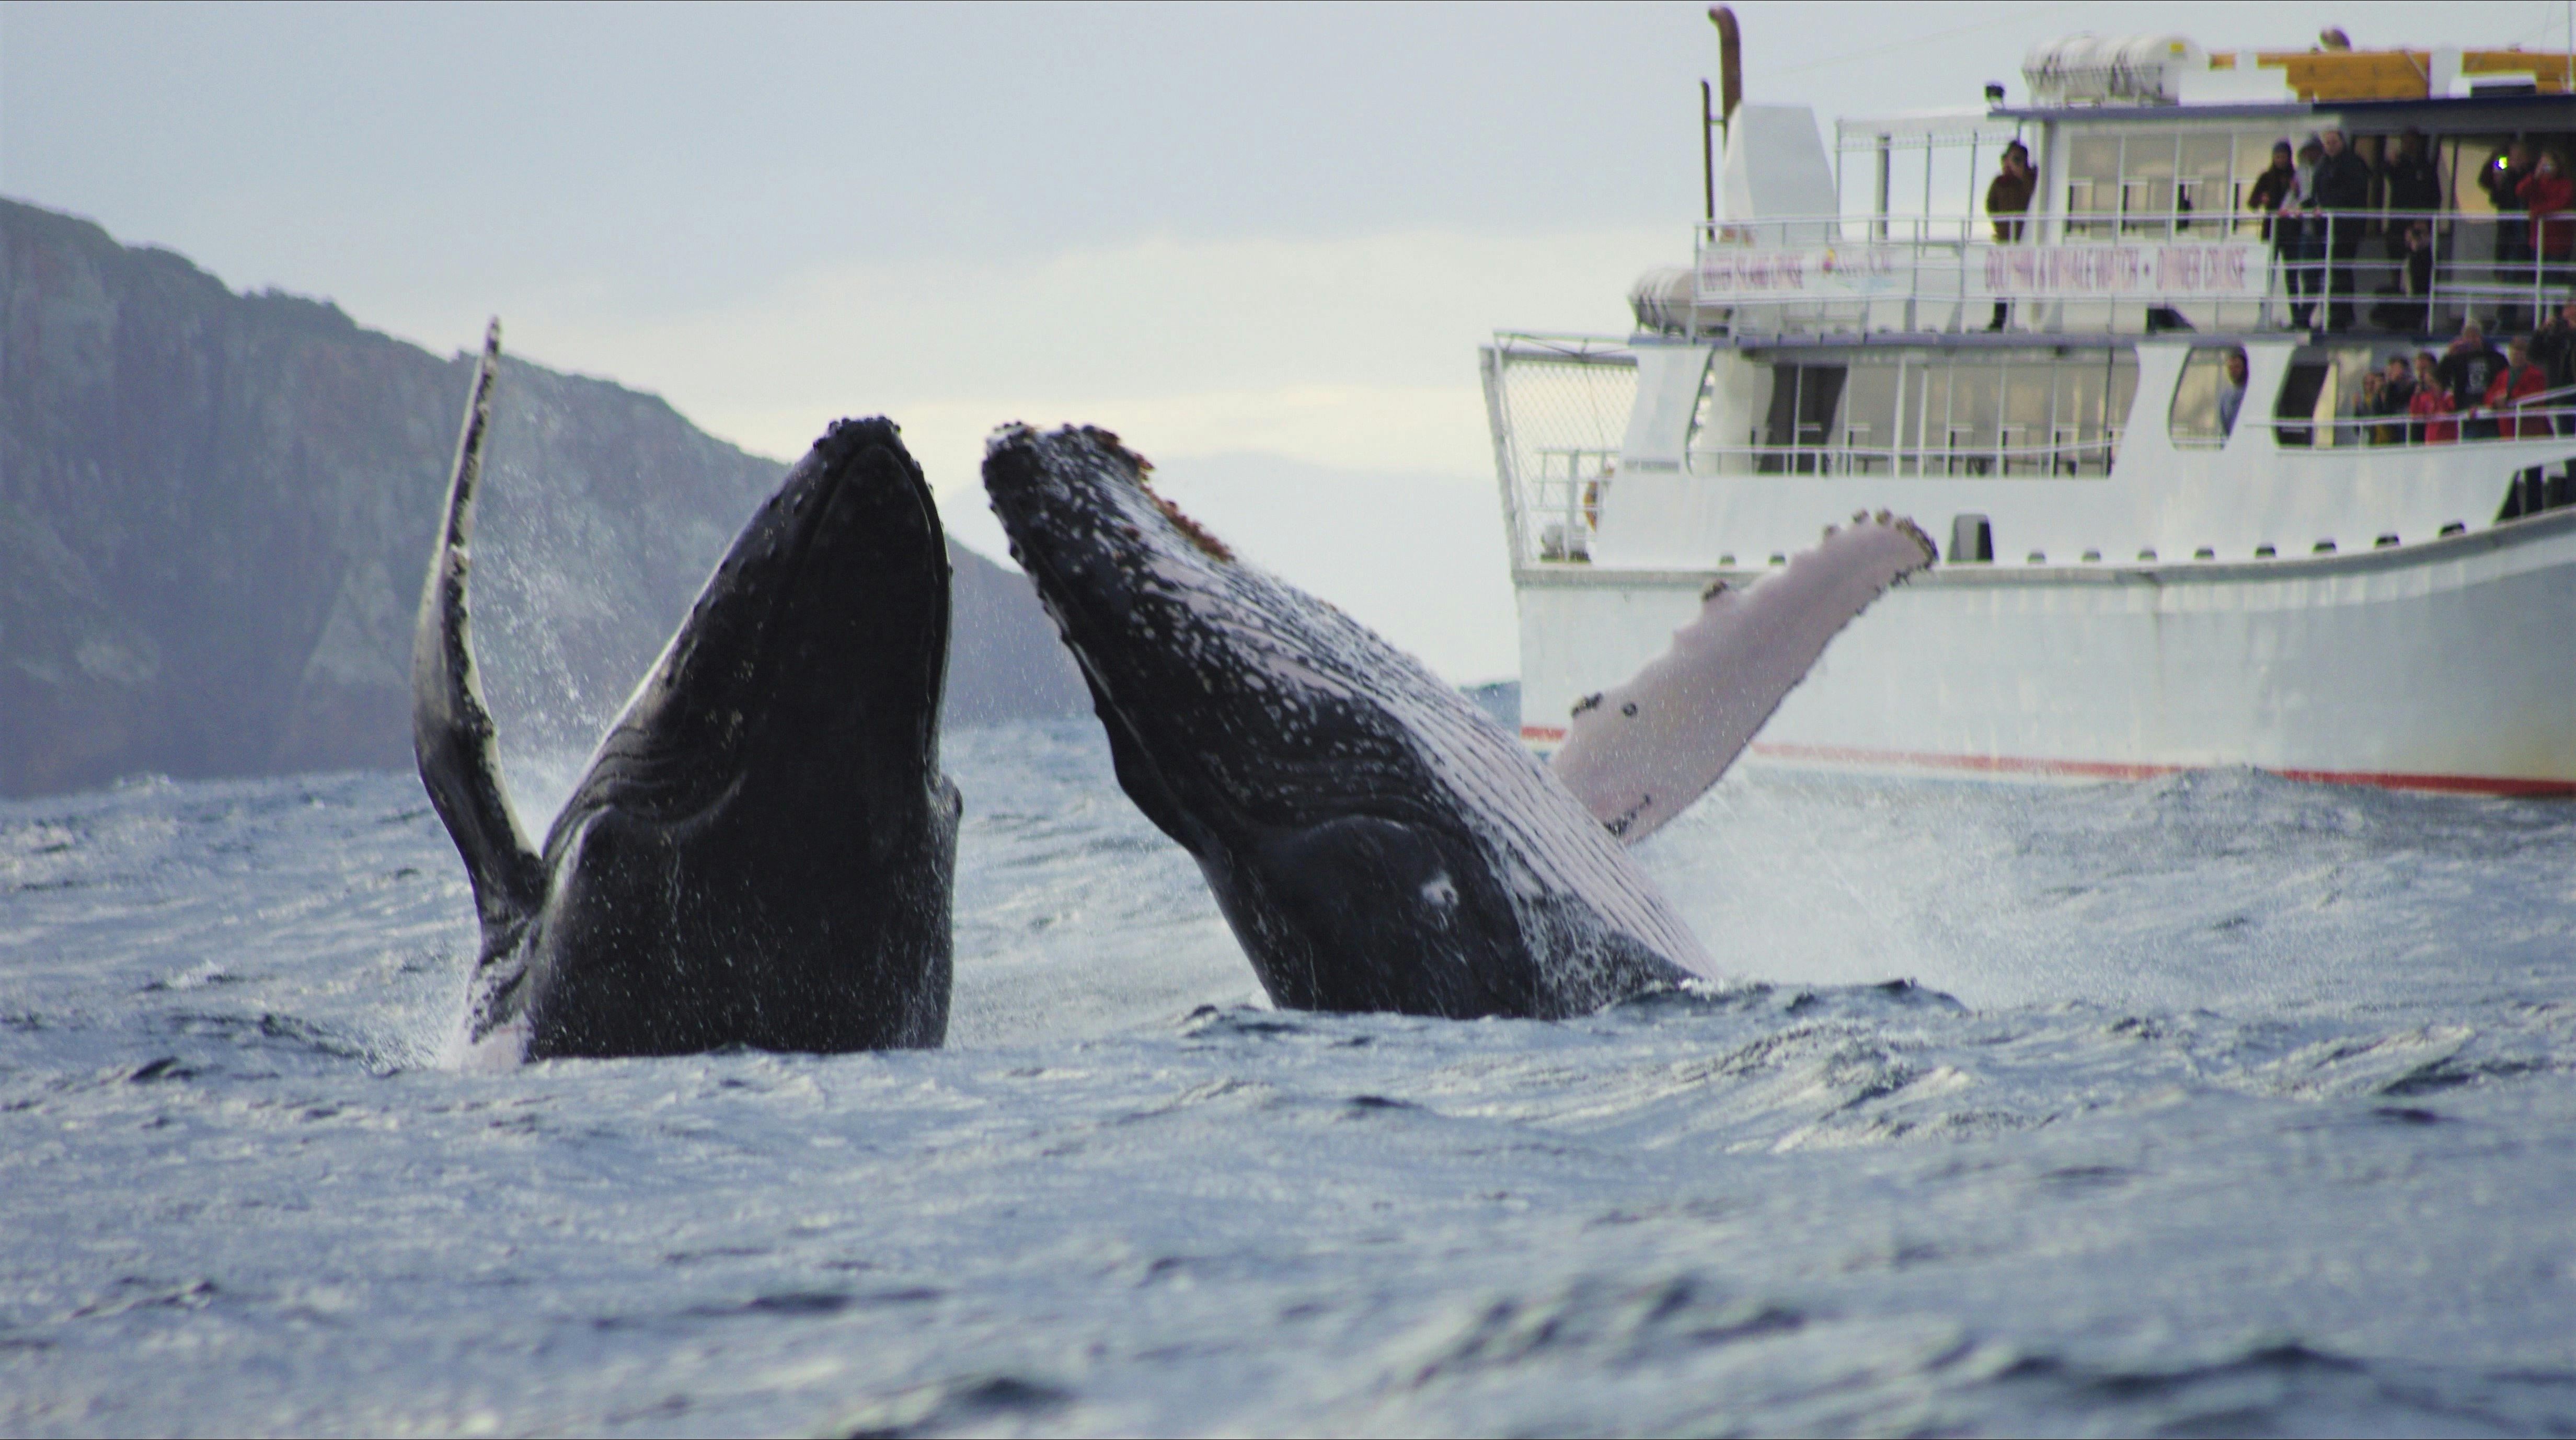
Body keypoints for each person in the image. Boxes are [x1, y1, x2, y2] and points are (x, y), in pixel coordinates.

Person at [2312, 128, 2372, 331]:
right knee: (2330, 271)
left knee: (2341, 270)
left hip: (2347, 227)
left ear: (2343, 142)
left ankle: (2341, 316)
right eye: (2327, 143)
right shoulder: (2322, 165)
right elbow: (2316, 191)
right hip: (2326, 228)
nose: (2330, 146)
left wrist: (2327, 206)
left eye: (2334, 142)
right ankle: (2330, 313)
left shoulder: (2353, 164)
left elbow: (2353, 193)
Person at [2246, 142, 2304, 328]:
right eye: (2277, 157)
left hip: (2290, 231)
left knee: (2292, 275)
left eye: (2283, 157)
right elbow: (2251, 203)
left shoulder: (2295, 177)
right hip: (2271, 230)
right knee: (2267, 276)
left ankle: (2297, 316)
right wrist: (2261, 199)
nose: (2280, 160)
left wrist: (2296, 192)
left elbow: (2304, 199)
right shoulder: (2266, 177)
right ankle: (2263, 316)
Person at [1985, 141, 2034, 331]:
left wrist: (2023, 174)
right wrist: (2000, 225)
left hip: (2024, 238)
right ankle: (1999, 320)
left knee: (2019, 278)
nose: (2011, 163)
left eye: (2017, 159)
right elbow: (1990, 205)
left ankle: (2020, 318)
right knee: (2003, 281)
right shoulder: (2000, 183)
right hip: (2005, 238)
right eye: (2010, 159)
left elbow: (2033, 194)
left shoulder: (2028, 180)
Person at [2440, 320, 2508, 439]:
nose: (2471, 340)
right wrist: (2449, 356)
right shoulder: (2458, 359)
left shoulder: (2495, 357)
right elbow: (2440, 378)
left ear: (2480, 337)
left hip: (2491, 412)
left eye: (2474, 335)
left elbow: (2505, 378)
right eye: (2468, 336)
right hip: (2468, 414)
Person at [2518, 151, 2574, 293]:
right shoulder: (2535, 183)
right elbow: (2520, 191)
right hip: (2537, 243)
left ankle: (2554, 315)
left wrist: (2538, 211)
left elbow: (2562, 202)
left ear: (2558, 166)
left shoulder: (2565, 184)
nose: (2546, 168)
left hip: (2559, 245)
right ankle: (2541, 314)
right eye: (2543, 164)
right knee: (2538, 284)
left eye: (2549, 165)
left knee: (2554, 283)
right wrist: (2535, 176)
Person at [2370, 221, 2436, 333]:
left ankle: (2408, 324)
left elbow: (2422, 274)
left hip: (2417, 299)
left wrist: (2421, 245)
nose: (2417, 236)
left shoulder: (2429, 255)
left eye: (2420, 232)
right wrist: (2410, 242)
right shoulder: (2407, 255)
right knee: (2380, 300)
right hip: (2405, 295)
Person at [2483, 142, 2535, 277]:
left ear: (2526, 158)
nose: (2515, 161)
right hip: (2508, 226)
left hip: (2527, 227)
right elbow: (2487, 182)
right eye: (2513, 158)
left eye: (2520, 157)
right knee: (2506, 256)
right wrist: (2497, 162)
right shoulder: (2505, 170)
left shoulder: (2532, 173)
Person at [2486, 336, 2553, 438]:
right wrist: (2495, 401)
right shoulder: (2503, 375)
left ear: (2526, 354)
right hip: (2507, 429)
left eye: (2520, 352)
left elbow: (2535, 398)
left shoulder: (2535, 375)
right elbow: (2489, 395)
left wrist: (2508, 398)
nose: (2517, 356)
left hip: (2530, 429)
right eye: (2514, 352)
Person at [2535, 297, 2576, 433]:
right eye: (2569, 307)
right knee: (2563, 430)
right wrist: (2541, 332)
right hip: (2559, 390)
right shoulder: (2556, 333)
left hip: (2572, 389)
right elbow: (2534, 354)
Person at [2379, 130, 2441, 216]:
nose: (2409, 146)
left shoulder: (2426, 166)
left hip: (2419, 218)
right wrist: (2390, 163)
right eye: (2406, 142)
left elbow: (2435, 195)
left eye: (2412, 142)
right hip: (2399, 216)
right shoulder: (2398, 164)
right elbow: (2384, 172)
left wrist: (2429, 217)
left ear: (2418, 143)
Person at [2409, 352, 2458, 443]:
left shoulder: (2449, 396)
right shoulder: (2426, 397)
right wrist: (2416, 396)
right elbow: (2415, 415)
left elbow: (2453, 410)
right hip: (2431, 441)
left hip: (2448, 440)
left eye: (2432, 382)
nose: (2429, 385)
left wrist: (2440, 398)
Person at [2374, 354, 2417, 443]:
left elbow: (2402, 400)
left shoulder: (2413, 386)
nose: (2395, 373)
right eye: (2392, 370)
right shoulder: (2388, 388)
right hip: (2393, 430)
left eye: (2397, 369)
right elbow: (2387, 408)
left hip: (2409, 426)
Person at [2217, 346, 2250, 437]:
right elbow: (2224, 425)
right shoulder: (2225, 396)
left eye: (2237, 367)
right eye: (2230, 368)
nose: (2233, 371)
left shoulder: (2251, 393)